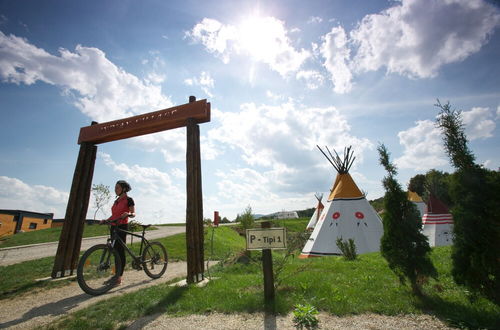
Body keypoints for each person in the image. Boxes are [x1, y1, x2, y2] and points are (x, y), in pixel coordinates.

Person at [102, 180, 135, 285]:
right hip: (114, 227)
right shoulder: (116, 201)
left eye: (117, 187)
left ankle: (118, 278)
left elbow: (133, 213)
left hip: (122, 227)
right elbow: (114, 215)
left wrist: (128, 213)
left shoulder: (129, 200)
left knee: (120, 252)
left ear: (124, 189)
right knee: (115, 251)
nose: (115, 189)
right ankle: (116, 276)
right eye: (115, 187)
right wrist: (106, 220)